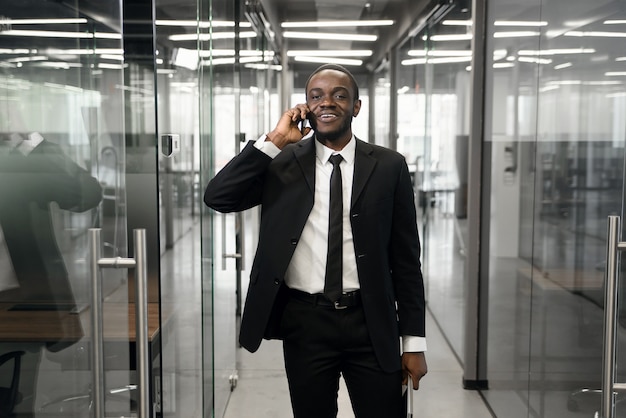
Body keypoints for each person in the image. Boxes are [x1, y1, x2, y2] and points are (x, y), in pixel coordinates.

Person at [204, 63, 427, 417]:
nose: (328, 102)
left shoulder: (388, 166)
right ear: (306, 107)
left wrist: (413, 342)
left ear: (356, 106)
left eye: (340, 95)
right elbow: (219, 196)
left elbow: (405, 260)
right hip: (305, 323)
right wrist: (274, 141)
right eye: (316, 96)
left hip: (372, 323)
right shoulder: (281, 163)